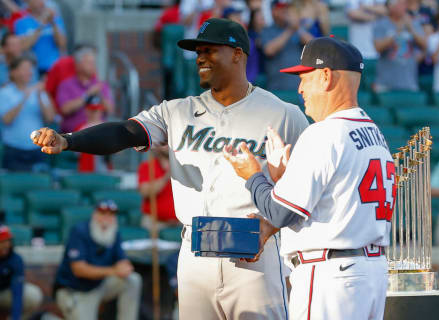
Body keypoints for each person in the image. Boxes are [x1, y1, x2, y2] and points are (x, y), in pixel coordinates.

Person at [32, 18, 309, 319]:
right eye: (198, 51)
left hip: (254, 251)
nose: (200, 58)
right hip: (195, 251)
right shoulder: (176, 111)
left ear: (238, 54)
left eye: (210, 50)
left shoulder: (283, 114)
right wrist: (69, 140)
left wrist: (273, 228)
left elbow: (311, 185)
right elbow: (126, 133)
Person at [224, 37, 394, 320]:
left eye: (305, 77)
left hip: (331, 275)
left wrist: (252, 175)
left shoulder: (324, 133)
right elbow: (330, 204)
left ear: (326, 76)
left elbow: (280, 212)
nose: (300, 88)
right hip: (369, 272)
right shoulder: (375, 133)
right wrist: (284, 179)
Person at [54, 200, 142, 320]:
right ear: (95, 215)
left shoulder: (114, 233)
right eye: (102, 213)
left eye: (111, 215)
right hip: (77, 290)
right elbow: (79, 270)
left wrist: (125, 268)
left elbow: (122, 260)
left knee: (132, 279)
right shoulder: (80, 231)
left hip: (99, 285)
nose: (106, 218)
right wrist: (113, 271)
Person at [0, 56, 54, 171]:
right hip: (13, 150)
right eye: (24, 68)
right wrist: (24, 97)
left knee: (39, 186)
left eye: (30, 69)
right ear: (13, 72)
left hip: (37, 149)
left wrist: (39, 96)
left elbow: (49, 118)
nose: (29, 72)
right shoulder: (5, 93)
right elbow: (6, 120)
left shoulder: (38, 91)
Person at [56, 46, 114, 133]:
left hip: (98, 136)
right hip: (73, 138)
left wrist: (100, 96)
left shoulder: (101, 85)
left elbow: (110, 110)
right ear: (77, 65)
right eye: (88, 62)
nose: (93, 66)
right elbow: (65, 109)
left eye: (93, 62)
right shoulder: (66, 85)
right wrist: (87, 95)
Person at [373, 0, 426, 92]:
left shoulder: (413, 23)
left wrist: (411, 30)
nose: (404, 7)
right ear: (391, 7)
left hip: (409, 81)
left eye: (405, 4)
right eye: (400, 4)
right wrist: (397, 32)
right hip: (386, 82)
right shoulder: (381, 24)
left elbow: (425, 45)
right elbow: (378, 48)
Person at [261, 0, 313, 91]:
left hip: (300, 87)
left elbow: (314, 45)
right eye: (280, 8)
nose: (284, 11)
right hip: (278, 88)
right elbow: (269, 50)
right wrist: (290, 30)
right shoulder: (266, 30)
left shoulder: (298, 29)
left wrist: (298, 28)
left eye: (286, 8)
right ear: (273, 11)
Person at [0, 225, 43, 320]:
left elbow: (17, 291)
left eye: (7, 241)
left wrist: (16, 318)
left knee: (33, 295)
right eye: (1, 242)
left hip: (4, 293)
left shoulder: (15, 259)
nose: (5, 245)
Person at [14, 0, 66, 75]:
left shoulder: (56, 20)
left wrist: (53, 23)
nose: (40, 3)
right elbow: (24, 46)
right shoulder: (21, 22)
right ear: (29, 3)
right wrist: (41, 25)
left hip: (54, 67)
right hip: (32, 70)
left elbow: (62, 44)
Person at [137, 145, 178, 232]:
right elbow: (145, 192)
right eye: (163, 143)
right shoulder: (147, 166)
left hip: (179, 223)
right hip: (155, 222)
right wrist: (167, 176)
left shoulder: (183, 168)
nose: (167, 145)